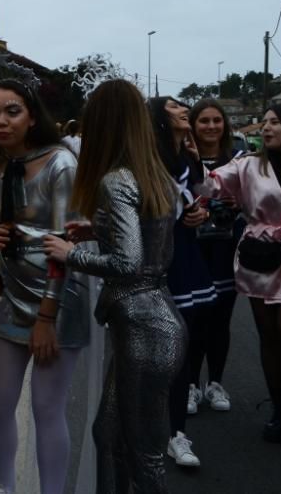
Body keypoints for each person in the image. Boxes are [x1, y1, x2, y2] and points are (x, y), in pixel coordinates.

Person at [44, 79, 186, 494]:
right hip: (153, 319)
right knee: (109, 436)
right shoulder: (153, 172)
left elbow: (128, 262)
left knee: (144, 457)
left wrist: (69, 254)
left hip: (144, 326)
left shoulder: (116, 180)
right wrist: (96, 228)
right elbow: (152, 236)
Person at [0, 77, 88, 494]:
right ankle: (6, 485)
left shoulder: (62, 164)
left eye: (12, 111)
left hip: (58, 298)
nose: (1, 121)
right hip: (10, 293)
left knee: (46, 407)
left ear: (32, 115)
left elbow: (66, 247)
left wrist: (46, 318)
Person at [204, 102, 281, 449]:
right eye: (264, 122)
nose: (266, 128)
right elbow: (209, 188)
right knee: (268, 335)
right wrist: (194, 161)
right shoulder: (247, 165)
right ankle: (280, 408)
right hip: (259, 255)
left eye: (274, 123)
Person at [147, 97, 213, 469]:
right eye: (173, 106)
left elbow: (195, 201)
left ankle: (176, 433)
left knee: (183, 347)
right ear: (158, 117)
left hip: (185, 258)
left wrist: (199, 212)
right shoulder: (147, 163)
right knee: (155, 353)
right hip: (155, 263)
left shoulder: (187, 159)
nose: (182, 108)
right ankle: (147, 429)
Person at [189, 99, 241, 414]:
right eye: (204, 121)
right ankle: (192, 384)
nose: (211, 126)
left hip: (227, 246)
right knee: (194, 318)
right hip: (193, 247)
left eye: (216, 120)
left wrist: (237, 204)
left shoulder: (240, 159)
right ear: (193, 126)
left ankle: (216, 383)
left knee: (221, 319)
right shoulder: (183, 160)